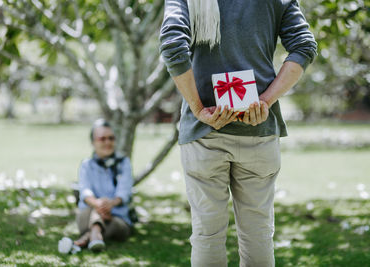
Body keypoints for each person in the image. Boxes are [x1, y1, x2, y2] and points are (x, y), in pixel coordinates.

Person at [160, 0, 317, 266]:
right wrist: (265, 101)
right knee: (258, 237)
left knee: (206, 236)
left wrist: (198, 108)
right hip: (259, 131)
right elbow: (304, 45)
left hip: (203, 134)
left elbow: (172, 43)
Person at [74, 119, 134, 252]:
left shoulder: (124, 163)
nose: (107, 142)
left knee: (117, 226)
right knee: (95, 213)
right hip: (88, 214)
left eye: (111, 138)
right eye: (102, 139)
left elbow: (124, 192)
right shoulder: (86, 165)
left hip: (116, 217)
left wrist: (111, 204)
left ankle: (91, 234)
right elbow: (85, 191)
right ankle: (95, 233)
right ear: (93, 142)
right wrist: (98, 204)